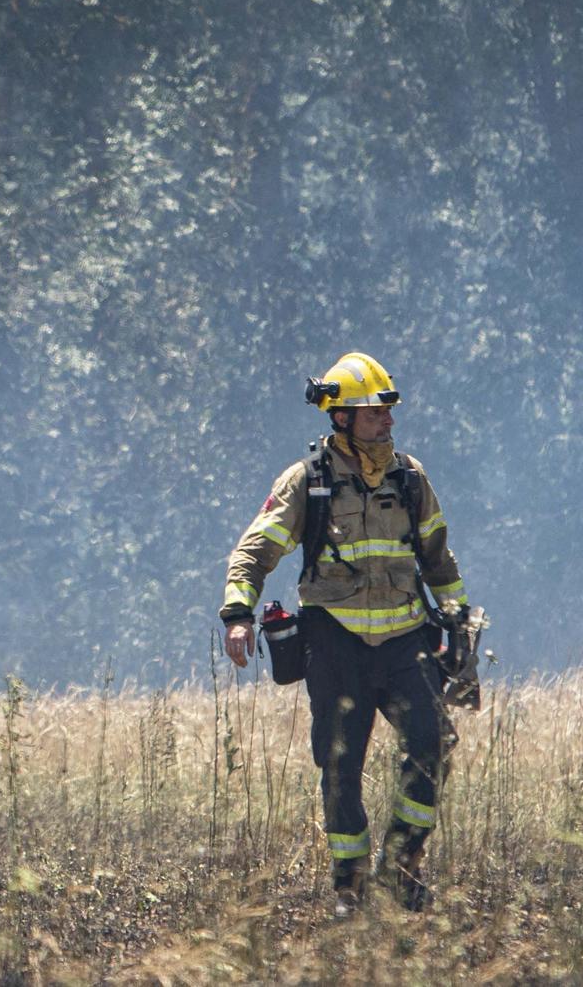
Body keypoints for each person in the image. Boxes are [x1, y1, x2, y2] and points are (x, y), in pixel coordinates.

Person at [219, 352, 474, 915]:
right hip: (336, 643)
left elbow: (439, 559)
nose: (386, 422)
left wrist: (460, 624)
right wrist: (238, 614)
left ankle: (402, 867)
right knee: (340, 766)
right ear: (340, 418)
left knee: (431, 747)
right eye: (372, 413)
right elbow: (254, 551)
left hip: (407, 643)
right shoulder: (306, 483)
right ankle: (350, 886)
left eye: (387, 411)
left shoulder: (410, 477)